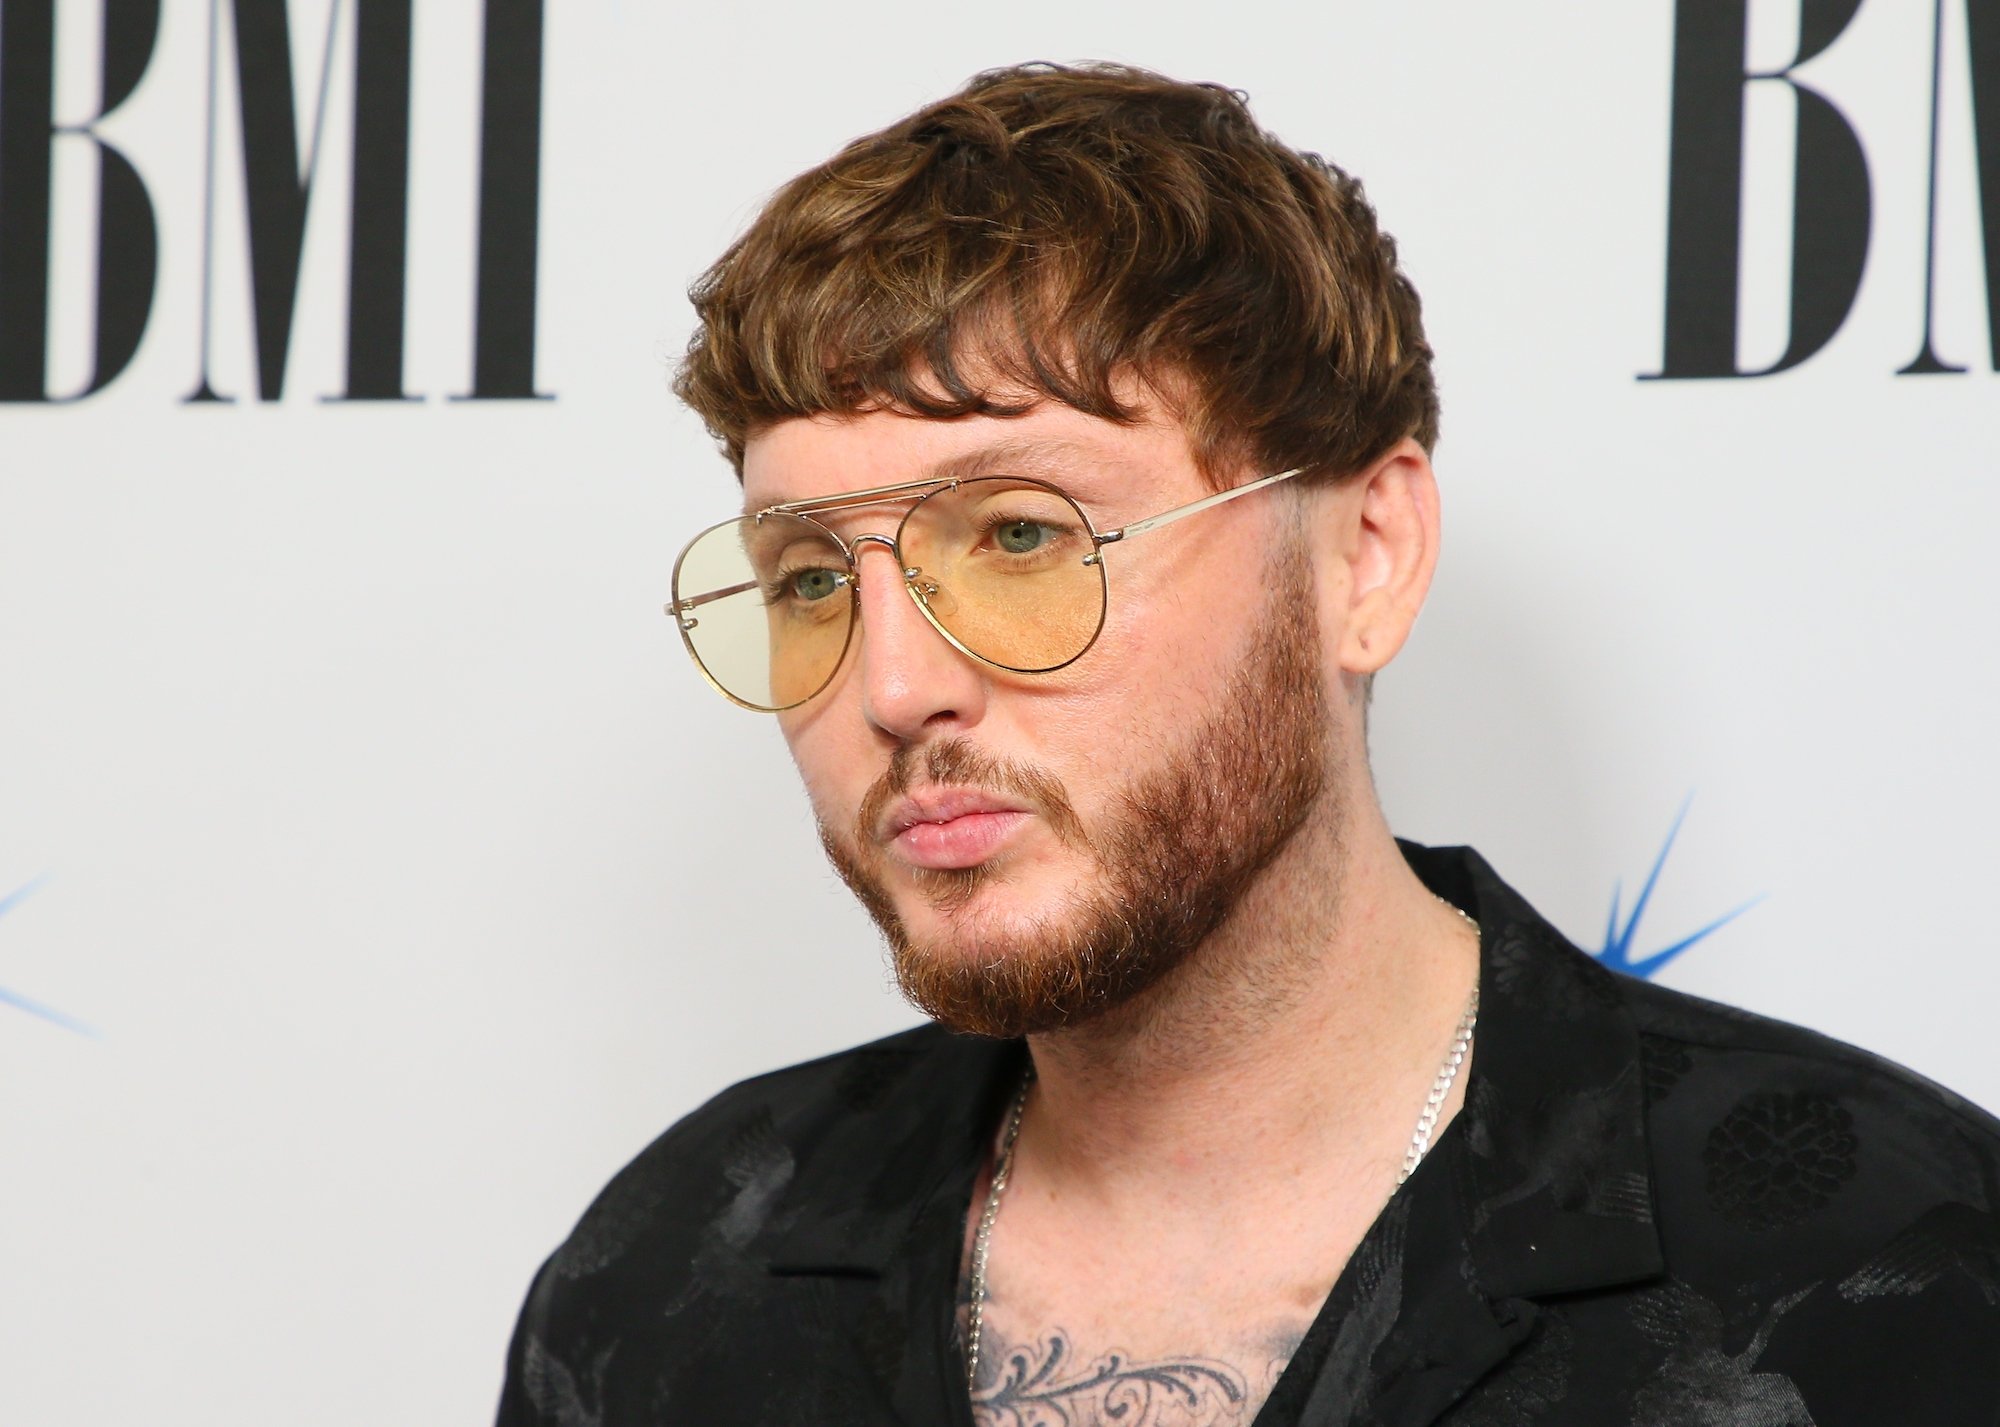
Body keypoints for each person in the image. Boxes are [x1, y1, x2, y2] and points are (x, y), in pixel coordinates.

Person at [496, 63, 2000, 1426]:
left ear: (1365, 557)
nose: (893, 687)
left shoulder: (1875, 1272)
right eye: (811, 578)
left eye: (1023, 535)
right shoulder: (680, 1274)